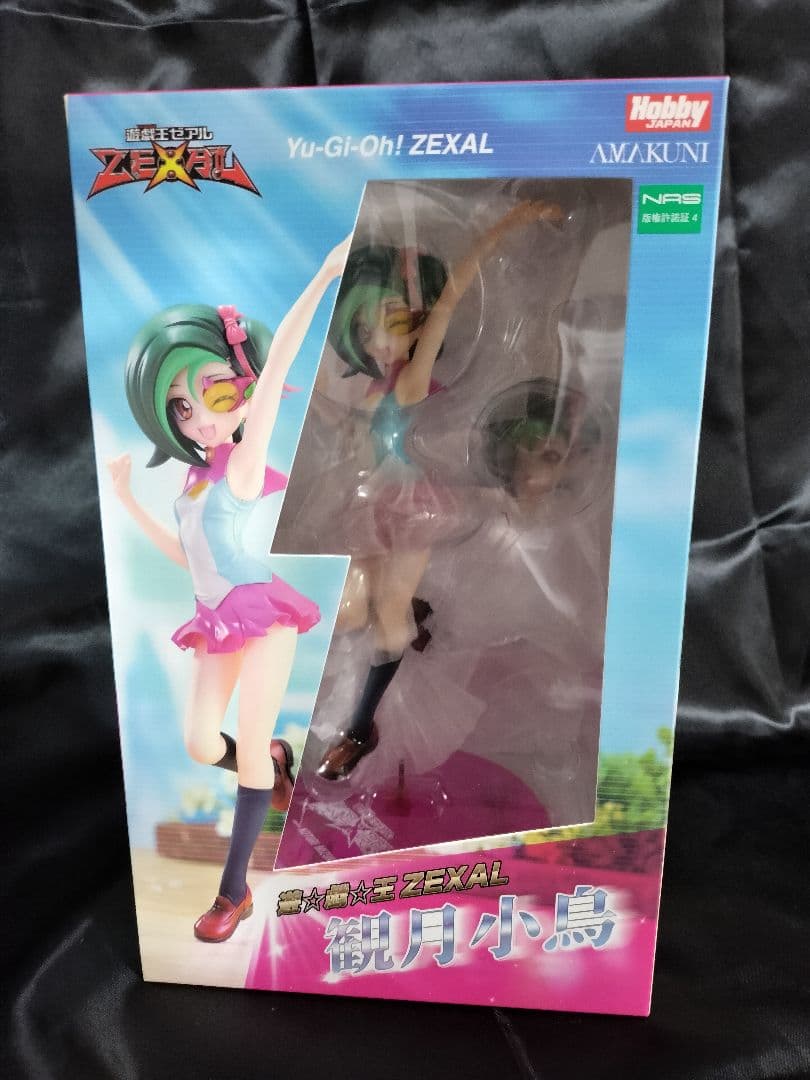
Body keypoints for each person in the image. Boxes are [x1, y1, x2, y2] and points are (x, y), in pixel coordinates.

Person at [107, 237, 349, 942]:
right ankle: (270, 760)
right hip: (214, 619)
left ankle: (232, 893)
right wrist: (127, 499)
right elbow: (189, 557)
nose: (199, 418)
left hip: (264, 617)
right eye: (180, 408)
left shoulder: (242, 466)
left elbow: (279, 369)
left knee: (241, 751)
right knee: (195, 742)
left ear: (240, 388)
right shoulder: (193, 479)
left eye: (212, 394)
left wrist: (323, 275)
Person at [311, 201, 565, 781]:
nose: (378, 339)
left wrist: (506, 225)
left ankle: (360, 729)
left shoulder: (412, 382)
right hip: (369, 508)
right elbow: (347, 428)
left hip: (411, 508)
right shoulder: (374, 389)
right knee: (345, 612)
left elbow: (449, 300)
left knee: (387, 624)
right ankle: (408, 609)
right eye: (365, 327)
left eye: (391, 322)